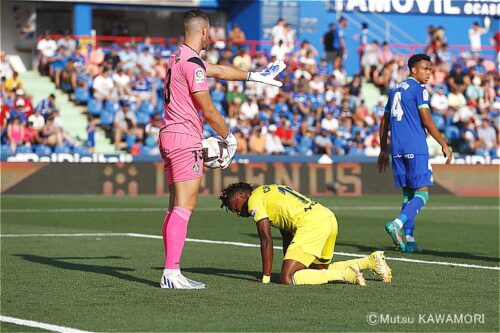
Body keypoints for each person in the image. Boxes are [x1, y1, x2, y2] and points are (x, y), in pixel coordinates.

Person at [159, 9, 285, 289]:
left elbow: (218, 71)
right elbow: (208, 107)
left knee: (174, 208)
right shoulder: (191, 62)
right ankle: (171, 272)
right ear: (203, 31)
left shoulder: (178, 57)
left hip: (169, 135)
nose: (211, 37)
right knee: (185, 207)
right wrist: (229, 137)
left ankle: (171, 270)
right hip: (184, 137)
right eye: (210, 32)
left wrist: (256, 76)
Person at [219, 182, 392, 285]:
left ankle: (347, 274)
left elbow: (266, 240)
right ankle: (369, 262)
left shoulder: (254, 200)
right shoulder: (270, 190)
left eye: (235, 206)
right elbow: (287, 234)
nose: (237, 212)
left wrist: (265, 278)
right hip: (327, 217)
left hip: (311, 224)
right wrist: (289, 259)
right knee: (317, 270)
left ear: (242, 194)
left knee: (288, 278)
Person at [377, 54, 452, 253]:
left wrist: (384, 149)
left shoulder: (394, 91)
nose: (429, 73)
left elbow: (384, 122)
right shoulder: (419, 89)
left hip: (397, 149)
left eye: (430, 69)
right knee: (423, 194)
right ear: (413, 70)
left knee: (408, 194)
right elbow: (427, 120)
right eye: (425, 69)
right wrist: (443, 144)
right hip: (415, 147)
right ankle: (397, 224)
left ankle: (408, 240)